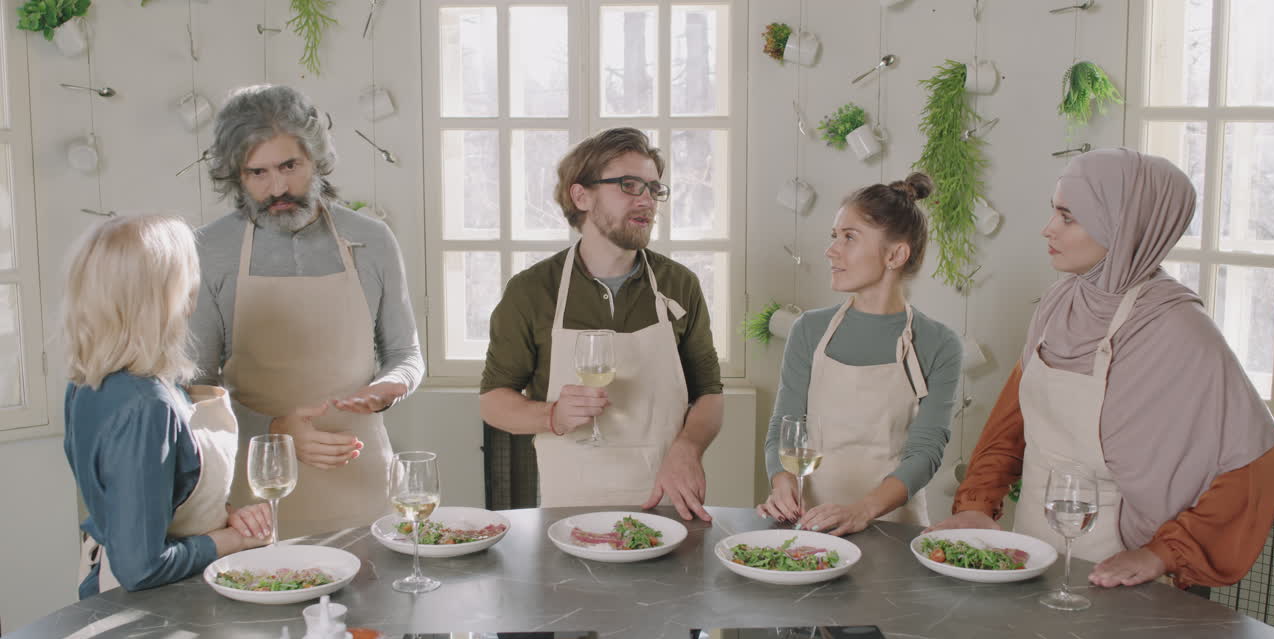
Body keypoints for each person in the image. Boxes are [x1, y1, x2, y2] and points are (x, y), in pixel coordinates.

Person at [932, 148, 1274, 588]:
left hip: (1117, 575)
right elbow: (1014, 418)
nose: (1048, 229)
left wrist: (1163, 552)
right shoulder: (1060, 303)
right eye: (1053, 213)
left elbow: (1258, 459)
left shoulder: (1178, 329)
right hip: (1030, 554)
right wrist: (978, 502)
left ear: (1122, 226)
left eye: (1067, 217)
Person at [192, 85, 423, 538]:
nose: (277, 187)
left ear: (316, 159)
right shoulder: (210, 250)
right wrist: (277, 429)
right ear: (235, 176)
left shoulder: (372, 241)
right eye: (257, 172)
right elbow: (197, 390)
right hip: (257, 485)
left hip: (363, 476)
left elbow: (405, 352)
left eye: (289, 166)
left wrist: (391, 386)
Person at [479, 127, 724, 521]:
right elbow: (493, 401)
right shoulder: (531, 291)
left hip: (665, 499)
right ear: (582, 196)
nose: (646, 199)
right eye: (629, 185)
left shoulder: (680, 285)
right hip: (567, 506)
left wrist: (688, 450)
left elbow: (710, 395)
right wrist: (552, 416)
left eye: (653, 189)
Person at [65, 215, 273, 598]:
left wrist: (225, 515)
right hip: (156, 605)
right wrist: (233, 541)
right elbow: (140, 568)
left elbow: (161, 493)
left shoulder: (90, 381)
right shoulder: (147, 405)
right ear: (166, 294)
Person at [757, 174, 962, 534]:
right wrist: (782, 481)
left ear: (895, 254)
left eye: (849, 237)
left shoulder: (938, 344)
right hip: (813, 528)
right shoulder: (809, 330)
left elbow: (925, 452)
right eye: (834, 236)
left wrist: (862, 511)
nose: (831, 250)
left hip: (894, 531)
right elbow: (784, 428)